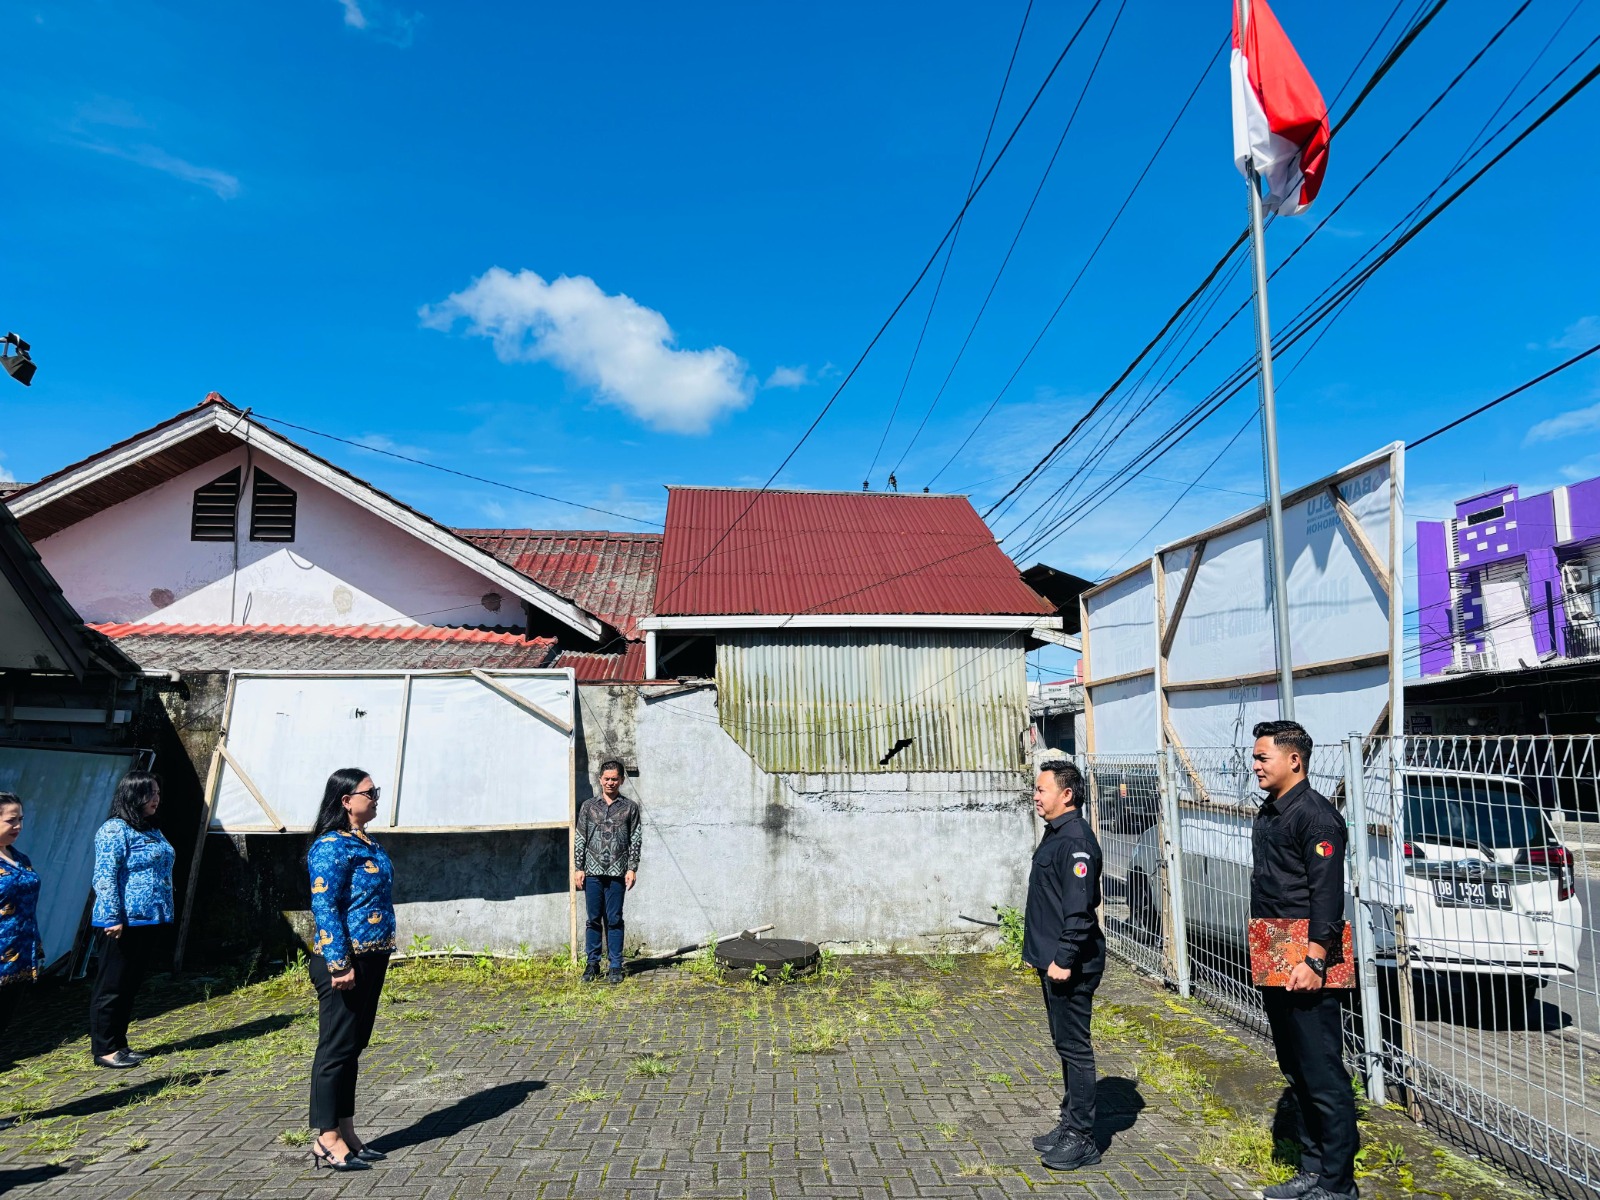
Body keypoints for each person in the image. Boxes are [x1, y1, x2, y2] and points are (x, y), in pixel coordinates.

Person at [1250, 720, 1358, 1200]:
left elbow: (1327, 896)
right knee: (1294, 1067)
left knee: (1322, 1072)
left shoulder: (1316, 818)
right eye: (1254, 758)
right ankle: (1313, 1168)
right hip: (1274, 949)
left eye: (1262, 758)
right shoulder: (1272, 811)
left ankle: (1338, 1185)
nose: (1254, 766)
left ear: (1294, 760)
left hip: (1306, 959)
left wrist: (1314, 961)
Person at [306, 767, 395, 1172]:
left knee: (354, 1046)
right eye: (369, 792)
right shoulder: (330, 846)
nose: (376, 797)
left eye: (376, 791)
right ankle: (325, 1138)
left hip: (372, 956)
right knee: (335, 1047)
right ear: (346, 800)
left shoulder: (366, 841)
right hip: (344, 961)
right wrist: (339, 963)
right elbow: (325, 907)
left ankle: (347, 1130)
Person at [1022, 759, 1105, 1171]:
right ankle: (1070, 1123)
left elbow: (1080, 913)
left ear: (1066, 794)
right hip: (1053, 961)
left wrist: (1063, 959)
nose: (1036, 796)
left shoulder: (1076, 842)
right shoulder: (1057, 835)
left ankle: (1083, 1138)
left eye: (1042, 789)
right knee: (1064, 1045)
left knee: (1075, 1047)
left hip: (1069, 964)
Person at [89, 770, 175, 1069]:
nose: (156, 799)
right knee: (111, 985)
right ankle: (104, 1049)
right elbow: (104, 876)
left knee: (130, 984)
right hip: (120, 922)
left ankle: (120, 1044)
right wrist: (113, 916)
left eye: (158, 793)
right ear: (134, 795)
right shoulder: (114, 830)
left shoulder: (150, 829)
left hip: (147, 919)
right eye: (150, 793)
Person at [573, 759, 641, 985]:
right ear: (600, 780)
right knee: (593, 919)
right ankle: (592, 964)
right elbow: (580, 837)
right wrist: (578, 867)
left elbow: (636, 839)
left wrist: (632, 868)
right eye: (606, 779)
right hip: (591, 872)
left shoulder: (630, 807)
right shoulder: (588, 807)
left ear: (621, 780)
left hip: (618, 872)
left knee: (614, 919)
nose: (610, 782)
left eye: (614, 779)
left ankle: (615, 965)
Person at [0, 793, 44, 1131]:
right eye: (11, 820)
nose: (18, 826)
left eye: (20, 819)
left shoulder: (20, 858)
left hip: (20, 958)